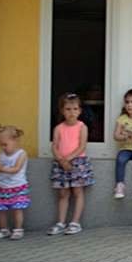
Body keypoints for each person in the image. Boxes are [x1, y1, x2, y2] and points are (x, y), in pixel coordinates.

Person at [48, 93, 95, 236]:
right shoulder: (58, 128)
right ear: (62, 111)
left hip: (77, 162)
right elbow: (54, 146)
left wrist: (68, 159)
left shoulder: (82, 127)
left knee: (78, 192)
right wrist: (60, 159)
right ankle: (61, 222)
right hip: (61, 163)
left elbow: (82, 146)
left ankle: (75, 222)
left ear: (80, 111)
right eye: (68, 109)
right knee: (63, 194)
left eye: (75, 109)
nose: (71, 112)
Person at [0, 125, 30, 240]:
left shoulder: (22, 154)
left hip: (17, 187)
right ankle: (4, 230)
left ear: (15, 140)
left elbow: (16, 169)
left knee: (17, 209)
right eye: (0, 145)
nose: (3, 147)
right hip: (2, 187)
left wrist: (1, 168)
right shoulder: (0, 155)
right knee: (0, 210)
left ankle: (18, 230)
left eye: (5, 144)